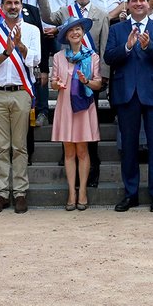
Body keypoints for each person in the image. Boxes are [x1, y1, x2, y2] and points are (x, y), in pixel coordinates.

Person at [104, 0, 153, 212]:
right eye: (133, 1)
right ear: (127, 4)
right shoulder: (117, 29)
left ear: (149, 4)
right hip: (126, 92)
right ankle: (131, 194)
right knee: (129, 146)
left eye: (141, 0)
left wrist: (148, 46)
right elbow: (108, 57)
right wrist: (127, 47)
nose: (138, 4)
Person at [0, 0, 41, 214]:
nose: (13, 6)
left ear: (22, 5)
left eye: (17, 2)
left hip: (21, 92)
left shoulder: (32, 30)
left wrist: (20, 46)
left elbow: (35, 60)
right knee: (1, 146)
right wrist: (6, 52)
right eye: (9, 3)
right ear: (3, 5)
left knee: (19, 146)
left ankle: (20, 193)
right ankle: (2, 192)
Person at [51, 16, 102, 210]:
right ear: (66, 35)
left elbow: (98, 83)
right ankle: (71, 191)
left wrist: (86, 81)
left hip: (83, 108)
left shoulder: (92, 56)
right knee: (69, 151)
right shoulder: (58, 57)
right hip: (65, 106)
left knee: (82, 150)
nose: (75, 32)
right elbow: (53, 82)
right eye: (71, 30)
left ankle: (83, 192)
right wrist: (57, 84)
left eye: (78, 29)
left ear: (83, 33)